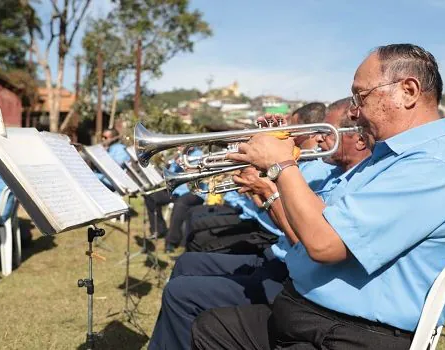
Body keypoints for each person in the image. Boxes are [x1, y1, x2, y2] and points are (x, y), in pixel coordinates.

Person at [191, 44, 445, 350]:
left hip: (351, 334)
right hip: (316, 317)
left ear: (408, 91)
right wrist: (271, 186)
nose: (353, 110)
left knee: (198, 308)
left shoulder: (434, 167)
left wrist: (282, 165)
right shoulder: (394, 159)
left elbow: (324, 244)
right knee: (211, 328)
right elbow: (316, 225)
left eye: (361, 95)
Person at [147, 98, 371, 350]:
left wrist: (268, 189)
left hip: (290, 273)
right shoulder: (330, 174)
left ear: (359, 139)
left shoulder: (320, 171)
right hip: (282, 260)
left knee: (185, 290)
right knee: (187, 266)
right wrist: (259, 183)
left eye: (291, 130)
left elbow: (304, 239)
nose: (319, 139)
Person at [183, 102, 329, 254]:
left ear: (307, 130)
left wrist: (260, 186)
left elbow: (264, 205)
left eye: (292, 126)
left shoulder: (315, 168)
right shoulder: (298, 160)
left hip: (272, 234)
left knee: (198, 243)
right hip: (263, 223)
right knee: (196, 227)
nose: (286, 131)